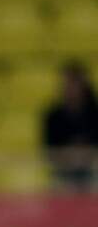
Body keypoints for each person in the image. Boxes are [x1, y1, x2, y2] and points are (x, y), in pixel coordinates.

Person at [42, 62, 98, 190]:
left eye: (75, 83)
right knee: (57, 186)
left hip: (93, 169)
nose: (71, 88)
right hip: (63, 172)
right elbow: (48, 151)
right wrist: (69, 154)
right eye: (67, 83)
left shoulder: (95, 113)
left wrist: (86, 154)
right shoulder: (53, 116)